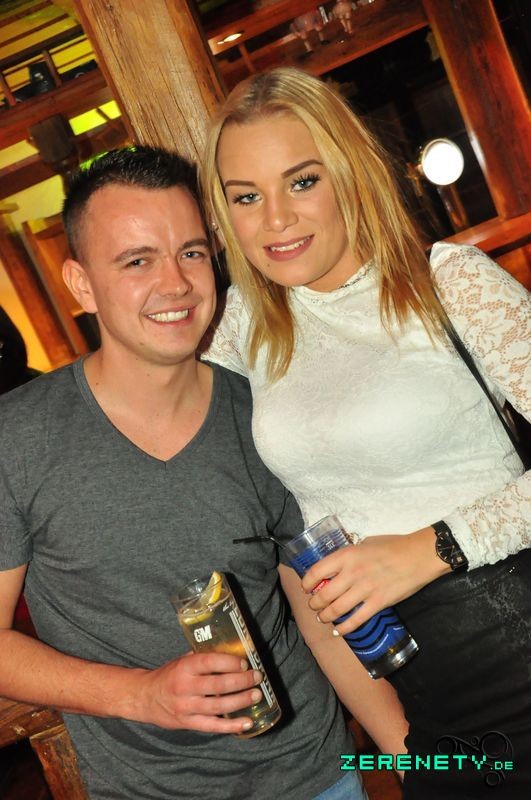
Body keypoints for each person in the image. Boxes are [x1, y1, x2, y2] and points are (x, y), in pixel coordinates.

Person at [0, 145, 411, 800]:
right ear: (81, 284)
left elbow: (318, 608)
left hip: (316, 774)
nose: (176, 284)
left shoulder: (265, 415)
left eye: (191, 253)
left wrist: (410, 753)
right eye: (137, 261)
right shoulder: (16, 437)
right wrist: (142, 695)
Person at [200, 67, 531, 799]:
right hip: (419, 699)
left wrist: (431, 547)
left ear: (347, 173)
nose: (275, 219)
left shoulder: (447, 281)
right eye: (245, 196)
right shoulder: (239, 332)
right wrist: (396, 746)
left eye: (301, 181)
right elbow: (293, 558)